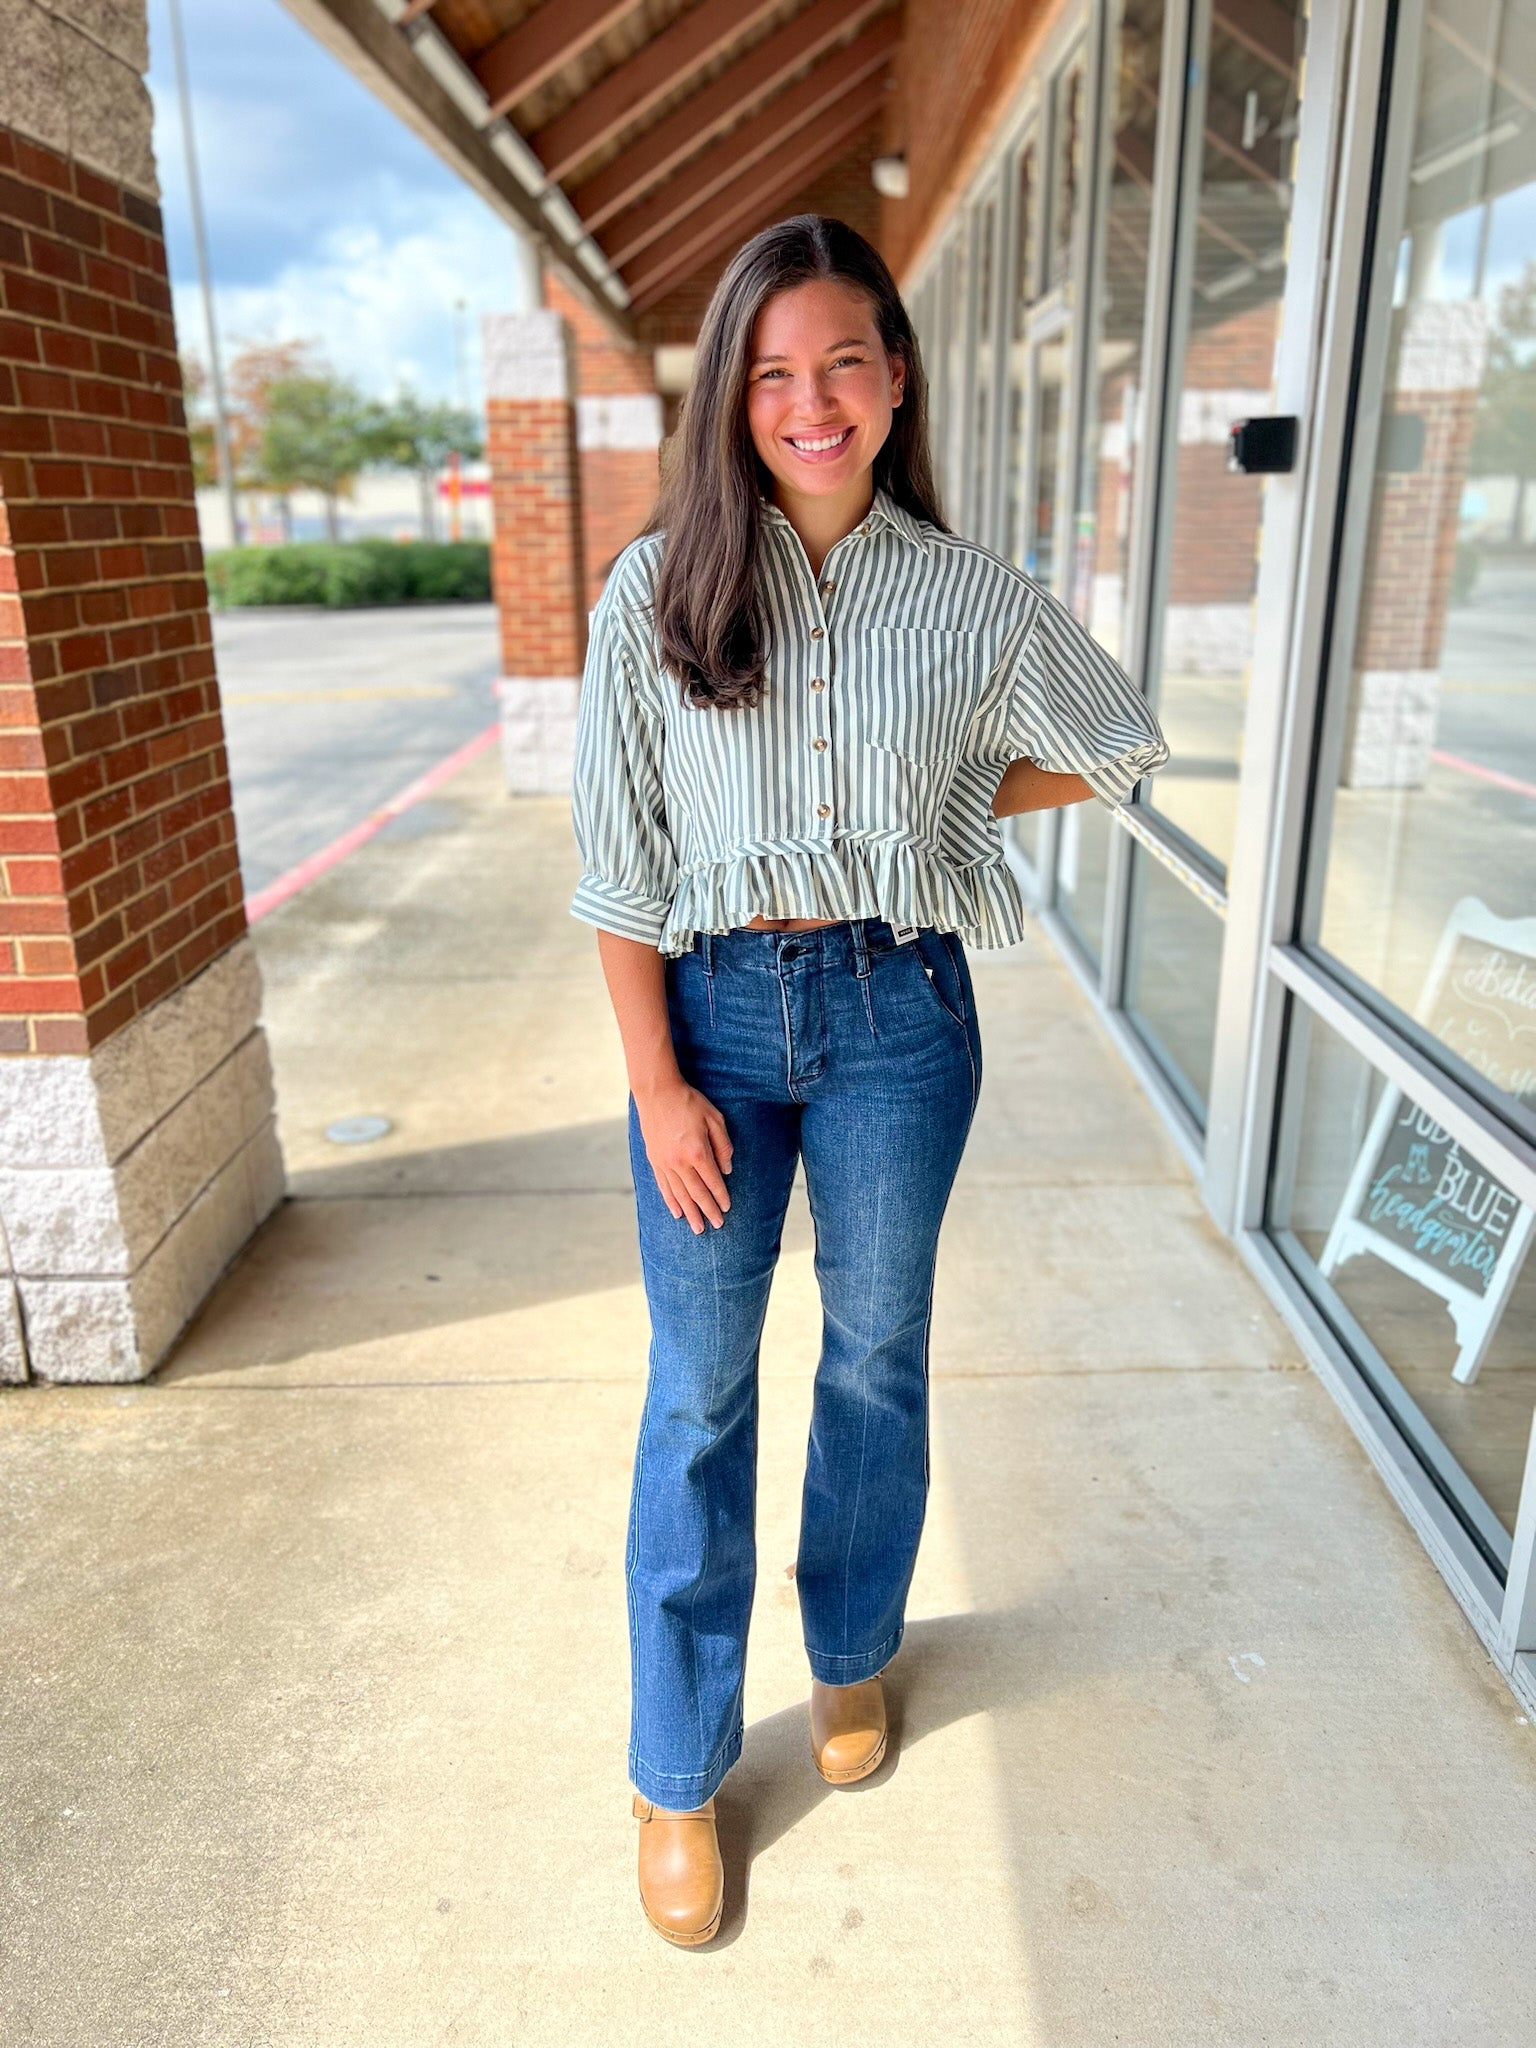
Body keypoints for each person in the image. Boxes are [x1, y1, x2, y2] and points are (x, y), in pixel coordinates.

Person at [568, 214, 1169, 1947]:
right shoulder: (657, 589)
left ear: (897, 378)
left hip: (902, 1015)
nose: (811, 400)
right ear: (732, 398)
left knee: (876, 1355)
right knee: (698, 1392)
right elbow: (618, 865)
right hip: (713, 1023)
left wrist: (946, 811)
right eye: (773, 372)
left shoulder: (974, 598)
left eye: (843, 362)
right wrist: (656, 1080)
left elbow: (1116, 745)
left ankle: (849, 1656)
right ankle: (674, 1770)